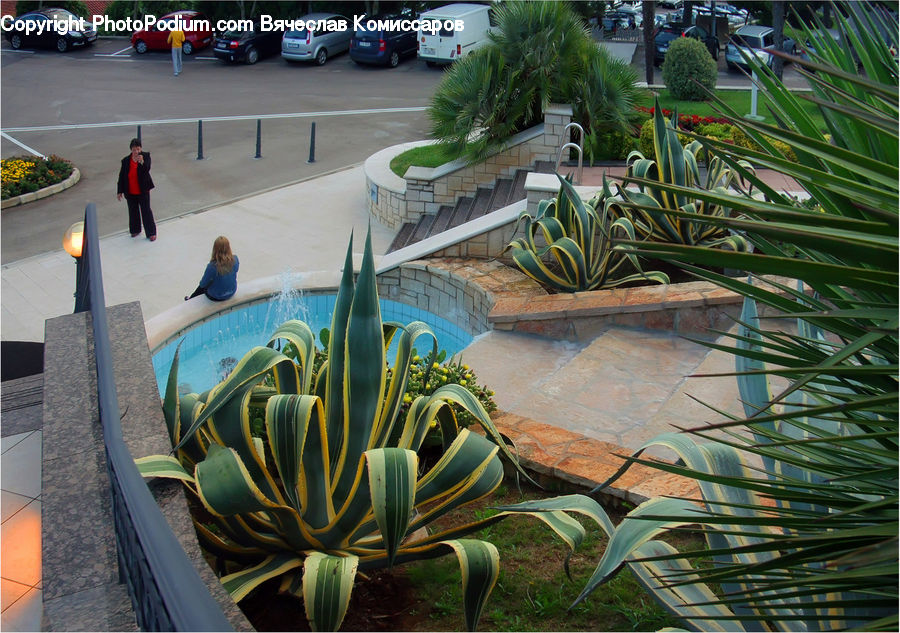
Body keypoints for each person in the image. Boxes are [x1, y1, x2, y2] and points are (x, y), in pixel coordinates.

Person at [116, 138, 156, 241]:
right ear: (131, 150)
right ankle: (135, 230)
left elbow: (147, 169)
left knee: (146, 211)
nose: (136, 152)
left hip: (143, 191)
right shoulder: (125, 161)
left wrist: (142, 162)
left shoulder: (146, 156)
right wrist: (119, 191)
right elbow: (122, 176)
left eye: (138, 149)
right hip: (130, 191)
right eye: (134, 150)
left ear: (141, 148)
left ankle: (151, 233)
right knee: (133, 211)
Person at [185, 236, 239, 301]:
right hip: (232, 291)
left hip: (216, 297)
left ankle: (191, 299)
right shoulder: (235, 259)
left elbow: (203, 284)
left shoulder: (212, 266)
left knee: (203, 287)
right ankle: (191, 298)